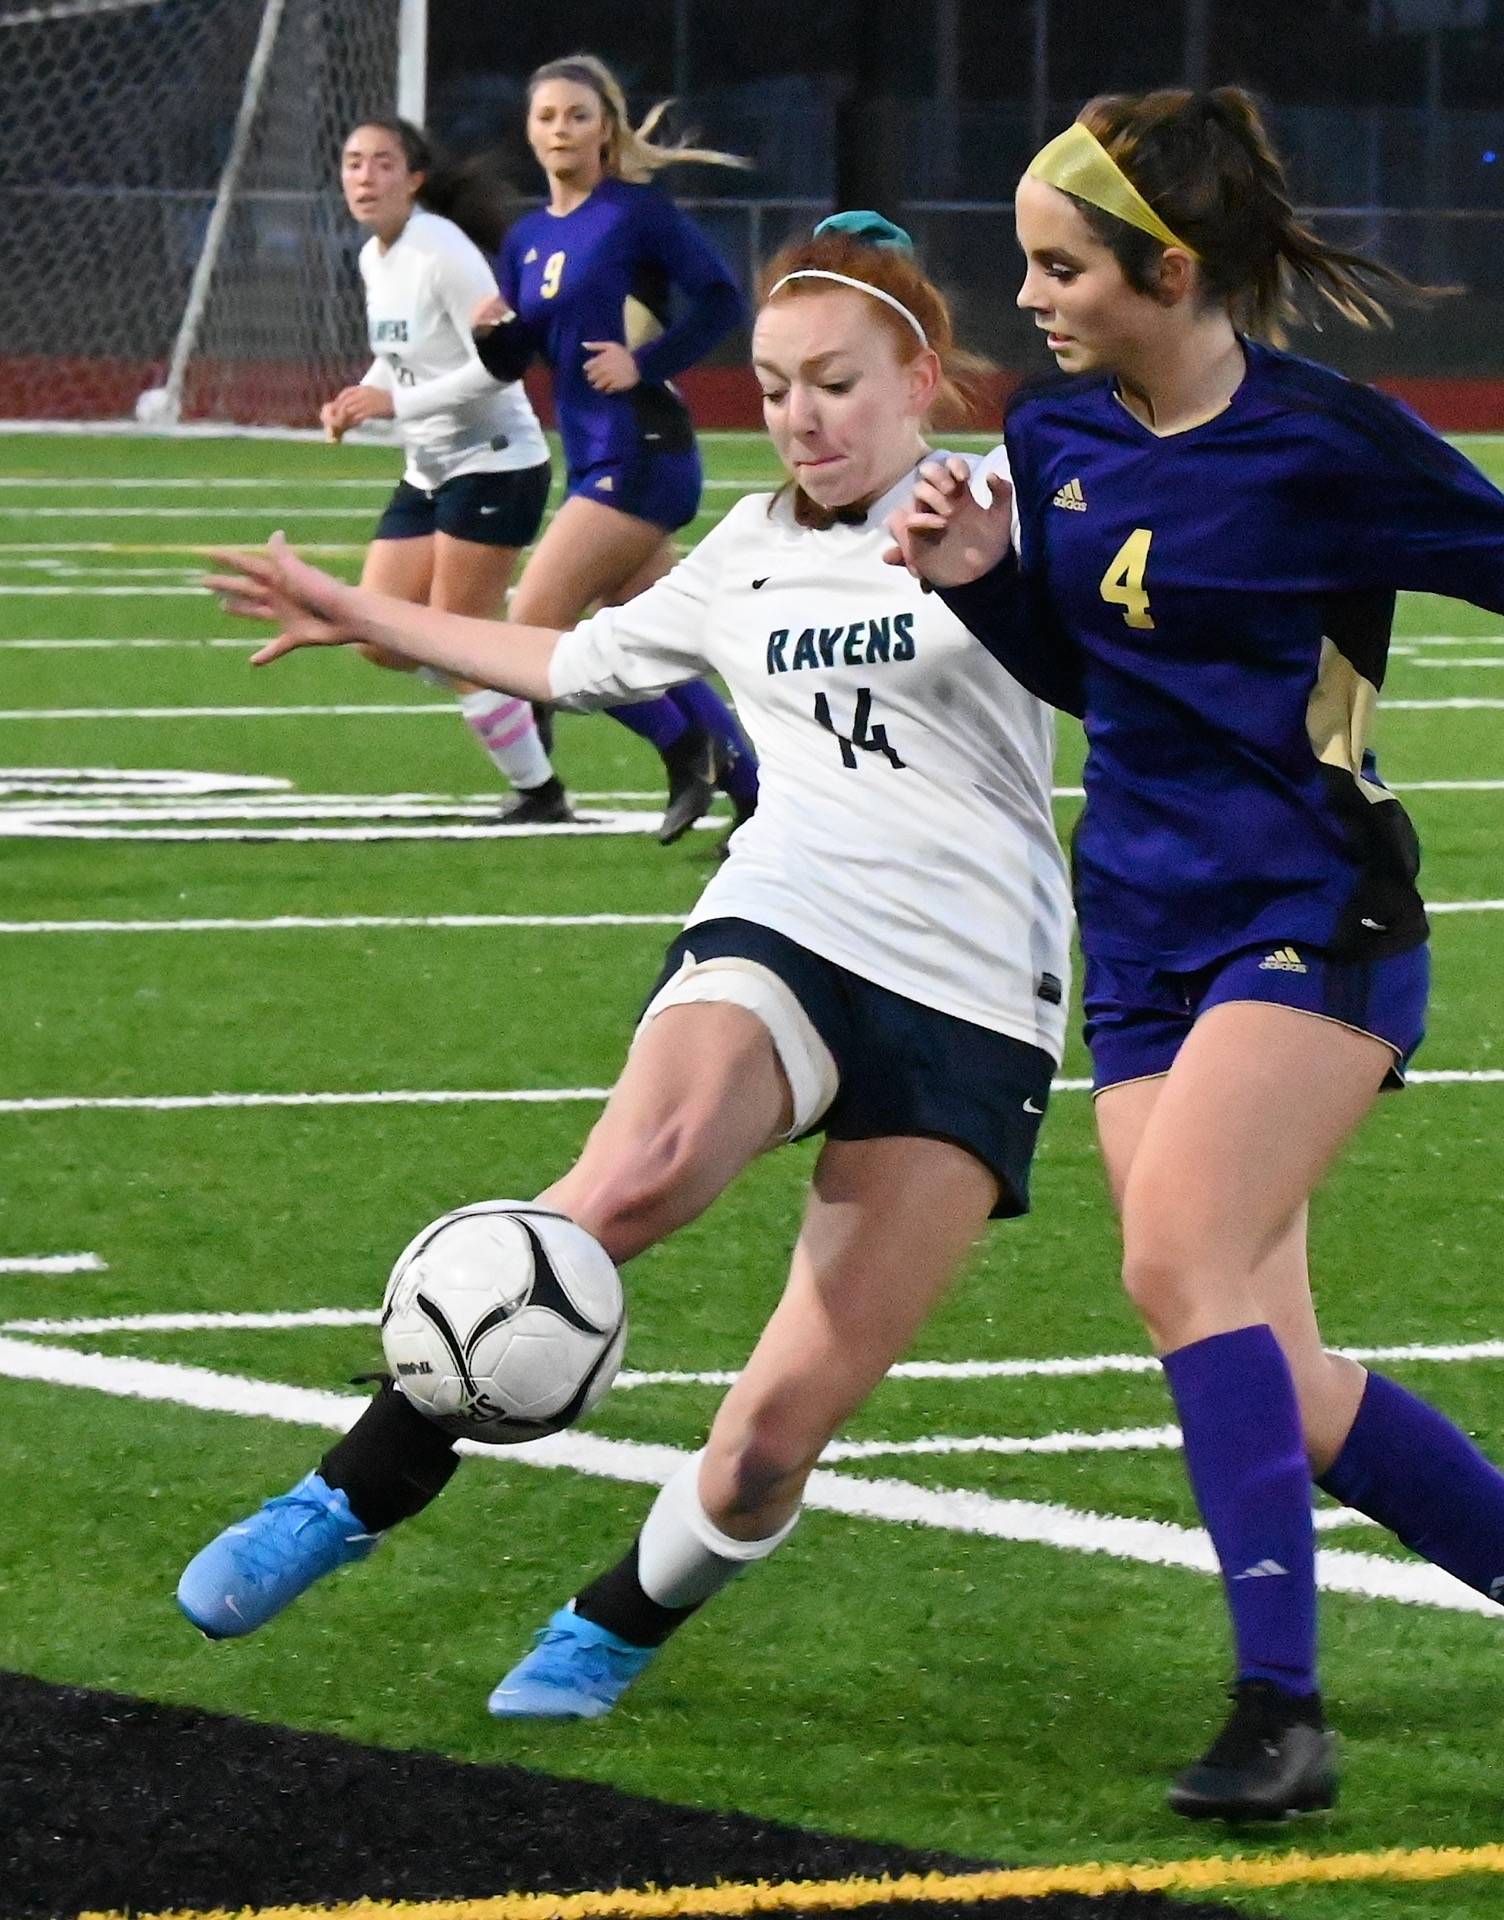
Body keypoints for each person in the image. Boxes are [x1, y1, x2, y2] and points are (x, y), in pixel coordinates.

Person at [887, 88, 1504, 1822]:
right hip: (1145, 931)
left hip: (1314, 916)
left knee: (1178, 1268)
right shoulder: (1054, 434)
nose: (1029, 297)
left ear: (1167, 269)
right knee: (1267, 1363)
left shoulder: (1325, 442)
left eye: (1059, 264)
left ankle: (1278, 1713)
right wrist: (986, 587)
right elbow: (1117, 678)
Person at [179, 215, 1074, 1726]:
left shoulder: (1004, 509)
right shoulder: (740, 553)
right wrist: (360, 610)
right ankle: (347, 1494)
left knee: (778, 1430)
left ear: (918, 378)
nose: (800, 414)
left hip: (979, 982)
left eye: (837, 383)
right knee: (635, 1175)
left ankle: (617, 1620)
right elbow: (567, 661)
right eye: (777, 384)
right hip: (791, 913)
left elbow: (1133, 659)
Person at [476, 54, 760, 846]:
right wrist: (490, 339)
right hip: (596, 456)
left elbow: (722, 300)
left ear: (606, 127)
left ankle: (685, 746)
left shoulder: (636, 212)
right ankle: (759, 795)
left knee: (534, 627)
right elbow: (520, 356)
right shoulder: (528, 238)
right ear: (530, 133)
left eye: (577, 114)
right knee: (648, 638)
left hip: (644, 450)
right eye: (546, 117)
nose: (561, 129)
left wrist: (648, 362)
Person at [326, 118, 565, 824]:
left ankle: (540, 793)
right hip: (429, 468)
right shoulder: (377, 256)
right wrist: (359, 396)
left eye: (381, 163)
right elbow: (402, 355)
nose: (365, 177)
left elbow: (497, 368)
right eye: (352, 163)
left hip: (496, 464)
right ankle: (514, 673)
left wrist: (391, 401)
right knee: (379, 636)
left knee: (456, 643)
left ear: (414, 177)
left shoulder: (442, 251)